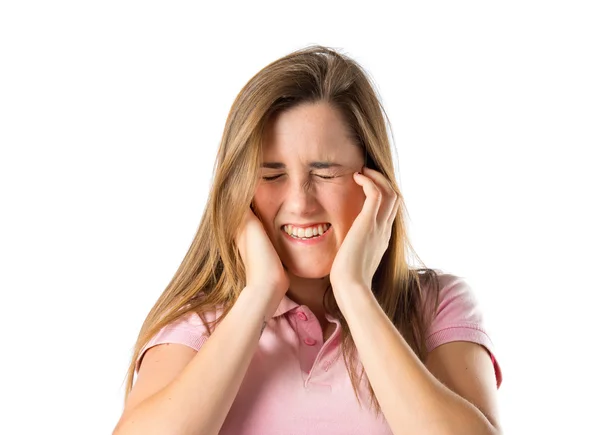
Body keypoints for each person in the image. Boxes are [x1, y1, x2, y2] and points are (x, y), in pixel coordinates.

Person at [112, 45, 503, 435]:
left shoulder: (436, 306)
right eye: (271, 174)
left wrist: (354, 293)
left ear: (375, 182)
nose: (300, 203)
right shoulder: (200, 323)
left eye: (326, 172)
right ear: (239, 191)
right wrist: (259, 295)